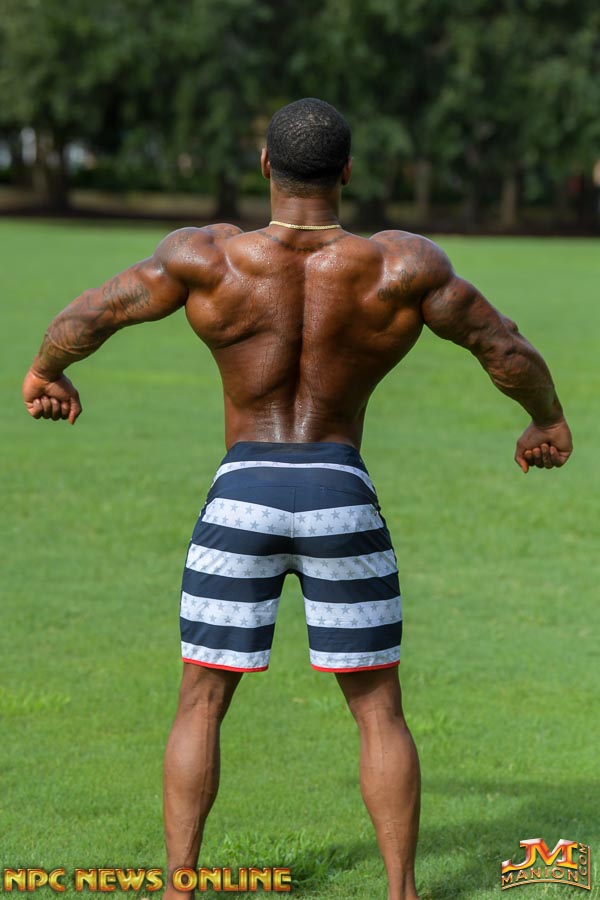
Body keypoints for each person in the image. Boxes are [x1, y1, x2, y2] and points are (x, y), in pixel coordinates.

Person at [22, 98, 573, 900]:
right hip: (338, 490)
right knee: (378, 710)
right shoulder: (402, 266)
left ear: (265, 167)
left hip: (241, 493)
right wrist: (545, 420)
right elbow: (503, 344)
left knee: (201, 701)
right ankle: (402, 892)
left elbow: (96, 310)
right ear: (347, 171)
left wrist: (47, 370)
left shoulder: (207, 256)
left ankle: (179, 890)